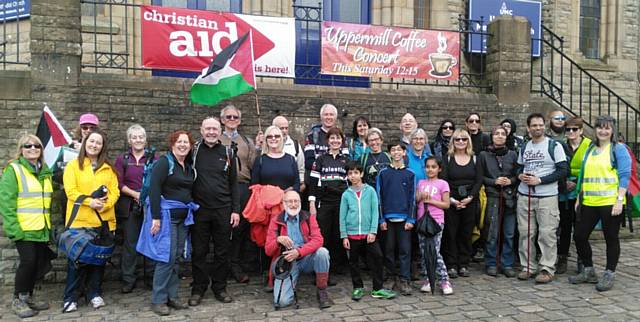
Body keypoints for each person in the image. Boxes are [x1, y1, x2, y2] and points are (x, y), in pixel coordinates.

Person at [569, 115, 631, 292]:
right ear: (595, 130)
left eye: (607, 128)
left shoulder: (618, 149)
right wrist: (579, 197)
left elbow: (625, 176)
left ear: (612, 131)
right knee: (579, 236)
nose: (603, 131)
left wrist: (620, 200)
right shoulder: (590, 149)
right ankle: (588, 271)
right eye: (600, 128)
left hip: (610, 202)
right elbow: (584, 175)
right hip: (589, 202)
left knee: (611, 238)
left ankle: (609, 273)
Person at [62, 129, 119, 312]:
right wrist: (90, 202)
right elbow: (70, 191)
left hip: (103, 221)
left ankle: (94, 293)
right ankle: (71, 297)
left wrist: (106, 204)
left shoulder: (108, 168)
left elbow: (115, 191)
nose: (94, 145)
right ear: (85, 142)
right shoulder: (73, 166)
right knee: (76, 261)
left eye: (98, 143)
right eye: (91, 141)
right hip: (81, 221)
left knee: (98, 261)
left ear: (103, 147)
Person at [0, 135, 53, 318]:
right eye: (27, 145)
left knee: (37, 263)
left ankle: (27, 296)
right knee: (28, 262)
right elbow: (7, 203)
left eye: (36, 145)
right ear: (21, 149)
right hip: (24, 228)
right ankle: (18, 299)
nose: (32, 148)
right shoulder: (13, 170)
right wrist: (14, 229)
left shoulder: (44, 170)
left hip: (41, 227)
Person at [190, 117, 240, 305]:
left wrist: (236, 210)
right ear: (201, 131)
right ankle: (198, 288)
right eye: (208, 129)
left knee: (222, 251)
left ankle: (220, 287)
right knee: (199, 251)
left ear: (220, 131)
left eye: (214, 129)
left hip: (223, 210)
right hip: (199, 210)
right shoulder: (193, 152)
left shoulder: (227, 152)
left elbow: (234, 184)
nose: (211, 132)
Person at [146, 130, 196, 316]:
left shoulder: (187, 166)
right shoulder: (164, 163)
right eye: (179, 142)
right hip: (167, 218)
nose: (183, 145)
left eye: (186, 142)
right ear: (172, 144)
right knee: (166, 258)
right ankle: (158, 300)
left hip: (182, 219)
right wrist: (156, 218)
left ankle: (172, 296)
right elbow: (154, 189)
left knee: (176, 258)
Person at [516, 113, 568, 283]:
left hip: (547, 196)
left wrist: (540, 180)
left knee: (547, 234)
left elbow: (562, 170)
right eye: (534, 125)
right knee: (525, 233)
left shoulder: (555, 146)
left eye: (540, 125)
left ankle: (546, 268)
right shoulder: (524, 147)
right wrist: (520, 176)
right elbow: (518, 168)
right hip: (525, 195)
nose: (537, 128)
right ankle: (528, 267)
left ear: (544, 126)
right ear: (528, 127)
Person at [265, 190, 333, 309]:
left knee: (323, 252)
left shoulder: (308, 217)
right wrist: (277, 240)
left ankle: (322, 289)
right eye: (290, 201)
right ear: (283, 203)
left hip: (306, 257)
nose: (293, 204)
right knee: (282, 302)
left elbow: (318, 239)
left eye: (296, 201)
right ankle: (291, 284)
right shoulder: (276, 220)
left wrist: (299, 252)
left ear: (300, 202)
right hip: (287, 262)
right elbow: (268, 250)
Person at [340, 161, 396, 301]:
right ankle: (357, 287)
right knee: (353, 262)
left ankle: (378, 288)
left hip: (368, 234)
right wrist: (344, 235)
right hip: (352, 234)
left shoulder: (370, 191)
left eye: (356, 173)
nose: (353, 176)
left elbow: (374, 211)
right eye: (350, 173)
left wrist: (373, 231)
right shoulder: (346, 194)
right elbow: (342, 216)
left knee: (377, 258)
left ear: (362, 174)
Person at [219, 105, 259, 284]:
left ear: (240, 121)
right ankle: (222, 265)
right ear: (222, 120)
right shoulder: (216, 139)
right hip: (222, 189)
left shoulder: (246, 141)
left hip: (243, 187)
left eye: (235, 117)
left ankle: (236, 264)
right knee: (223, 227)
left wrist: (257, 147)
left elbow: (252, 165)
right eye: (229, 117)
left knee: (241, 227)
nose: (232, 119)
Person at [114, 124, 155, 293]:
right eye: (134, 137)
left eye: (141, 137)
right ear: (129, 140)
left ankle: (151, 278)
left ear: (145, 139)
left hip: (150, 206)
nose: (138, 140)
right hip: (130, 206)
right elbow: (118, 183)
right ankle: (128, 279)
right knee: (130, 244)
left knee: (150, 242)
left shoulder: (154, 158)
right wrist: (136, 195)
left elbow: (158, 180)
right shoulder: (122, 159)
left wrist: (146, 196)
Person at [441, 129, 481, 278]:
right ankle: (451, 264)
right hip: (451, 200)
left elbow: (478, 180)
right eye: (457, 139)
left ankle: (463, 263)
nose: (460, 142)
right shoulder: (447, 159)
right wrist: (451, 200)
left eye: (464, 139)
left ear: (468, 141)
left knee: (466, 233)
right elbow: (444, 180)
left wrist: (470, 197)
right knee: (451, 233)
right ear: (453, 141)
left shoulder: (475, 158)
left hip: (469, 201)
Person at [479, 126, 518, 277]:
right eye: (497, 134)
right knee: (492, 232)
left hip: (509, 197)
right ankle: (491, 262)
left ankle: (507, 263)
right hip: (493, 196)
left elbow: (517, 174)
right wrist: (494, 181)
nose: (500, 136)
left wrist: (510, 180)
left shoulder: (513, 154)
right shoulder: (484, 155)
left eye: (503, 134)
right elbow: (480, 177)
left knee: (509, 232)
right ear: (492, 136)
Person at [377, 140, 416, 295]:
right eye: (393, 150)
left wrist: (411, 219)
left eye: (399, 150)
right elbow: (379, 197)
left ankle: (405, 278)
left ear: (404, 152)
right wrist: (381, 220)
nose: (396, 153)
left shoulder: (410, 174)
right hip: (388, 219)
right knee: (389, 249)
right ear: (389, 153)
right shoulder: (383, 173)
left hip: (405, 219)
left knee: (405, 250)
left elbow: (412, 198)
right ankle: (390, 276)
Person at [309, 127, 349, 272]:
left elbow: (348, 184)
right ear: (327, 141)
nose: (335, 141)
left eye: (338, 138)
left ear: (342, 141)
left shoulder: (346, 160)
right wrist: (312, 202)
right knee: (323, 233)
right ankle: (322, 267)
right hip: (324, 202)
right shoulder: (320, 159)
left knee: (338, 233)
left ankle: (337, 266)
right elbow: (313, 183)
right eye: (332, 138)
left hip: (340, 202)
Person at [557, 117, 591, 274]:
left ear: (581, 130)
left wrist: (576, 182)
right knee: (564, 227)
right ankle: (562, 258)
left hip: (581, 191)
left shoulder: (589, 146)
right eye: (568, 129)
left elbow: (591, 168)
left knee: (580, 229)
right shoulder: (561, 146)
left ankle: (582, 260)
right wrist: (564, 182)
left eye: (574, 129)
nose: (571, 132)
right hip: (564, 191)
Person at [415, 157, 453, 295]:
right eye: (428, 167)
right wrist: (420, 196)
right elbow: (416, 200)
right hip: (422, 220)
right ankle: (427, 278)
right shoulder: (421, 182)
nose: (430, 169)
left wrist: (430, 200)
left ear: (439, 169)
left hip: (436, 221)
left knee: (434, 251)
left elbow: (446, 204)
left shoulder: (443, 184)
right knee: (424, 250)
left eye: (433, 167)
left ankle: (444, 280)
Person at [251, 125, 300, 191]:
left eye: (277, 136)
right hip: (266, 199)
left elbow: (297, 183)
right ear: (266, 139)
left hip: (287, 199)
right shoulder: (260, 160)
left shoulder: (291, 159)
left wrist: (290, 190)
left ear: (281, 138)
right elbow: (254, 185)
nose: (273, 138)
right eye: (270, 136)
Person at [272, 116, 305, 191]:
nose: (284, 131)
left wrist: (300, 185)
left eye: (286, 128)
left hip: (291, 189)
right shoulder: (267, 144)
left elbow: (301, 167)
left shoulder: (295, 145)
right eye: (281, 128)